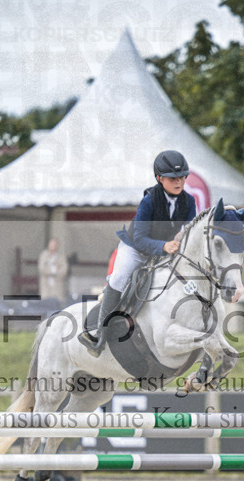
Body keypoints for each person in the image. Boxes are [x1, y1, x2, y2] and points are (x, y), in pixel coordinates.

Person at [78, 150, 196, 356]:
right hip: (136, 248)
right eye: (172, 178)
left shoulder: (189, 202)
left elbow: (189, 230)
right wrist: (163, 246)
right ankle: (99, 334)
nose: (178, 182)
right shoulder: (149, 201)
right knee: (119, 278)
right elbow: (140, 238)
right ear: (159, 178)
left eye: (182, 177)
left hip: (165, 251)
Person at [37, 238, 69, 302]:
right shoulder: (44, 255)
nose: (53, 246)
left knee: (57, 305)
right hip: (45, 288)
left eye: (54, 245)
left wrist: (49, 268)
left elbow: (64, 270)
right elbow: (42, 269)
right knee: (45, 304)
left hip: (57, 289)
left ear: (57, 246)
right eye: (51, 245)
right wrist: (54, 269)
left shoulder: (61, 257)